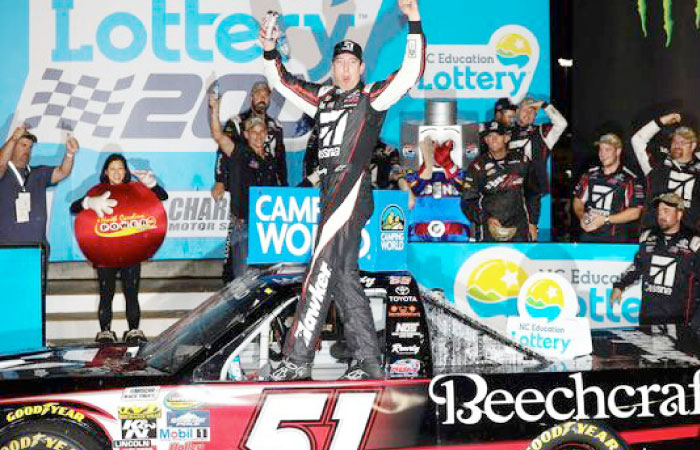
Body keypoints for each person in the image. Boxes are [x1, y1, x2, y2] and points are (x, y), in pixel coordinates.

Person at [261, 0, 425, 380]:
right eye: (340, 64)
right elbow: (279, 81)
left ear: (362, 68)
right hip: (330, 194)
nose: (346, 69)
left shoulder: (371, 97)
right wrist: (269, 50)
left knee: (320, 266)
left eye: (352, 63)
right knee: (344, 276)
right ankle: (368, 361)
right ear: (333, 68)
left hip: (352, 192)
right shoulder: (323, 97)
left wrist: (414, 22)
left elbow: (409, 73)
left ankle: (297, 359)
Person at [70, 154, 167, 344]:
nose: (116, 172)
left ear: (126, 171)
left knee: (132, 293)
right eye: (112, 168)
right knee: (106, 294)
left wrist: (151, 184)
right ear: (105, 172)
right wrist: (88, 202)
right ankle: (105, 331)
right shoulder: (98, 190)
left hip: (131, 254)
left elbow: (162, 196)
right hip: (105, 255)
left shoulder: (136, 189)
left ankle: (134, 330)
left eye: (120, 168)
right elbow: (75, 207)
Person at [209, 93, 282, 283]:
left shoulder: (271, 161)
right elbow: (218, 135)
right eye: (253, 132)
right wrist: (215, 109)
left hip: (267, 228)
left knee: (266, 282)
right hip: (244, 227)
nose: (258, 135)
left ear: (266, 134)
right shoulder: (240, 153)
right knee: (242, 284)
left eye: (261, 131)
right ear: (246, 134)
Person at [610, 193, 700, 337]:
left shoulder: (694, 242)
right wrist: (620, 285)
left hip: (680, 320)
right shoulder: (647, 236)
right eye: (659, 211)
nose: (661, 215)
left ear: (679, 214)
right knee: (646, 358)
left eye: (666, 211)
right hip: (648, 317)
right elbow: (638, 265)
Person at [461, 121, 541, 242]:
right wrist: (484, 218)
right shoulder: (477, 167)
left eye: (497, 135)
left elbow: (533, 194)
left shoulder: (522, 161)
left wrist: (533, 223)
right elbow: (467, 201)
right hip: (489, 229)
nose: (493, 139)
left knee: (519, 260)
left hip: (519, 228)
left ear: (506, 138)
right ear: (485, 140)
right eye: (489, 136)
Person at [0, 126, 79, 246]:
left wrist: (69, 154)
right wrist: (13, 138)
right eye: (23, 145)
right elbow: (1, 164)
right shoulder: (3, 174)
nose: (27, 150)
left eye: (30, 147)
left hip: (37, 248)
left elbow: (62, 172)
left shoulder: (38, 174)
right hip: (7, 249)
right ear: (13, 146)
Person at [211, 81, 287, 201]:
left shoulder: (276, 126)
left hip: (268, 184)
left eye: (265, 96)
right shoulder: (237, 122)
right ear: (251, 97)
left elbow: (280, 158)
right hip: (242, 183)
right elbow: (223, 149)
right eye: (258, 95)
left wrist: (284, 185)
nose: (262, 99)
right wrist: (220, 180)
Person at [508, 97, 568, 239]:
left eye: (533, 111)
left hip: (531, 190)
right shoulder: (506, 132)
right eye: (525, 109)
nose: (528, 113)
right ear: (517, 111)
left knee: (530, 229)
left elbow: (562, 123)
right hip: (507, 190)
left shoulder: (542, 132)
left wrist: (544, 105)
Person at [631, 113, 700, 231]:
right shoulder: (657, 164)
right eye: (675, 141)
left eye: (683, 142)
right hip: (653, 234)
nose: (677, 145)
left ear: (693, 145)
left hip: (689, 237)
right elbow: (637, 140)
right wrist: (660, 121)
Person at [573, 133, 644, 242]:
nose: (602, 154)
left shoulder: (629, 179)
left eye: (607, 150)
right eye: (600, 150)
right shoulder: (589, 175)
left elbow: (635, 212)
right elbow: (578, 201)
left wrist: (605, 219)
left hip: (614, 240)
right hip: (588, 237)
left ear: (618, 151)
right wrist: (582, 216)